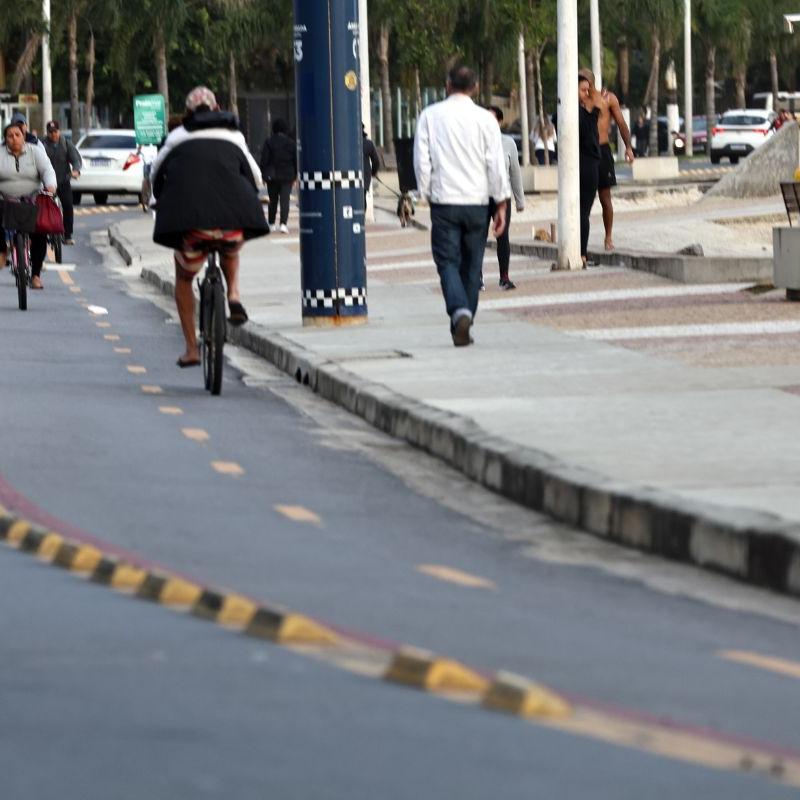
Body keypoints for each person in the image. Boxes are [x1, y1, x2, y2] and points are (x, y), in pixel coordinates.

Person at [150, 86, 268, 368]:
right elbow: (256, 177)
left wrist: (159, 198)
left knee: (183, 277)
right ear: (216, 109)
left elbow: (156, 176)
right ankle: (234, 295)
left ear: (188, 113)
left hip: (193, 228)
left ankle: (191, 348)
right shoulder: (234, 135)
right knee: (231, 245)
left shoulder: (176, 137)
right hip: (230, 223)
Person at [414, 64, 510, 346]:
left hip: (445, 202)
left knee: (447, 261)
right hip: (478, 203)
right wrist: (501, 203)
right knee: (472, 264)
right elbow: (495, 164)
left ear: (447, 84)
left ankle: (459, 312)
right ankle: (465, 316)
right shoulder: (486, 120)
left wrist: (428, 192)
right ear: (475, 87)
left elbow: (421, 161)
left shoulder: (430, 116)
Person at [578, 69, 634, 252]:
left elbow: (621, 124)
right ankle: (578, 239)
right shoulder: (576, 100)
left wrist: (628, 147)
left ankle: (608, 236)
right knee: (581, 199)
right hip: (583, 153)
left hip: (602, 150)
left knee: (605, 197)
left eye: (584, 80)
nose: (581, 84)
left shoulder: (607, 99)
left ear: (591, 82)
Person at [0, 123, 57, 286]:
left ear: (23, 137)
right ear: (5, 139)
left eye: (17, 135)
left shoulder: (35, 152)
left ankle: (36, 275)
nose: (14, 139)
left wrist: (50, 186)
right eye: (10, 136)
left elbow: (47, 170)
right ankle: (2, 251)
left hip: (32, 199)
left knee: (40, 233)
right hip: (5, 200)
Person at [487, 106, 524, 290]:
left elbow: (515, 173)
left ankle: (504, 276)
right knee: (476, 238)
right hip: (480, 197)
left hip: (502, 197)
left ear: (500, 122)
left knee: (503, 236)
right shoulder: (475, 142)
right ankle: (476, 278)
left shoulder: (508, 143)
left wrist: (520, 200)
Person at [42, 121, 82, 245]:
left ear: (59, 131)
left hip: (63, 181)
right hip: (47, 184)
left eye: (55, 131)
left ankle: (68, 235)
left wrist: (75, 171)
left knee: (68, 205)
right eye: (50, 132)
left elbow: (75, 159)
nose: (53, 134)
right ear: (47, 133)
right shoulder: (42, 145)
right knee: (43, 208)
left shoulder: (66, 143)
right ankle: (43, 234)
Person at [578, 73, 600, 268]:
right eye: (582, 90)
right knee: (582, 211)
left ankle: (581, 251)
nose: (586, 94)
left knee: (584, 210)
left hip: (590, 162)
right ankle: (581, 254)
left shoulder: (588, 112)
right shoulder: (574, 112)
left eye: (588, 90)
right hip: (582, 163)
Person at [259, 118, 296, 234]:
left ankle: (271, 223)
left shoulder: (268, 142)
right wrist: (295, 175)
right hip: (287, 175)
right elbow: (295, 160)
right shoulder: (291, 143)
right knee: (285, 200)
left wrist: (263, 175)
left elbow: (264, 160)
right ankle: (283, 224)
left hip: (272, 176)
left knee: (273, 200)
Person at [362, 124, 380, 202]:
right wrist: (373, 172)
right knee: (363, 199)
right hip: (365, 176)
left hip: (350, 177)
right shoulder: (368, 143)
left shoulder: (348, 144)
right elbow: (376, 161)